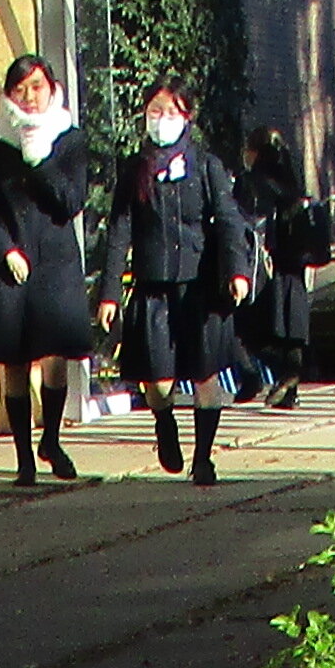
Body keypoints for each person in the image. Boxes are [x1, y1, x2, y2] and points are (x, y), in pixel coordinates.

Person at [100, 75, 256, 484]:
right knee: (159, 377)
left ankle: (203, 458)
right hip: (153, 289)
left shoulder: (207, 166)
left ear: (187, 116)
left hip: (199, 289)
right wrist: (109, 293)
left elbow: (228, 221)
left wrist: (237, 272)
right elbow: (119, 230)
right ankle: (164, 422)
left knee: (205, 374)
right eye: (155, 111)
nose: (162, 119)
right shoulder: (135, 170)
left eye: (171, 111)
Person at [0, 55, 95, 489]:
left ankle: (50, 440)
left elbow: (70, 200)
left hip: (55, 265)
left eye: (37, 87)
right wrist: (4, 250)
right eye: (20, 89)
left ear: (51, 88)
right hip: (11, 265)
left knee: (55, 358)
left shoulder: (69, 139)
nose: (29, 96)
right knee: (15, 360)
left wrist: (39, 158)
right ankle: (23, 459)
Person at [240, 127, 322, 408]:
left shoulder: (254, 183)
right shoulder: (292, 185)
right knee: (291, 332)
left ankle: (273, 378)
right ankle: (290, 382)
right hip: (294, 269)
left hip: (265, 268)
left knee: (250, 329)